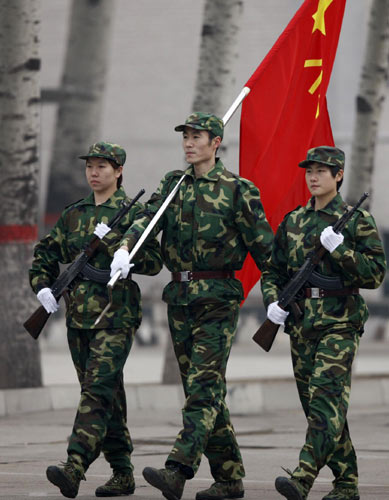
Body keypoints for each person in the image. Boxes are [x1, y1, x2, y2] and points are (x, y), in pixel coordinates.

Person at [109, 112, 274, 500]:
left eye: (196, 136)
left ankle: (178, 468)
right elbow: (146, 219)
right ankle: (230, 477)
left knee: (202, 388)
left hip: (218, 299)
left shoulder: (238, 190)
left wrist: (277, 300)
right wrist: (125, 247)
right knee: (204, 391)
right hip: (180, 299)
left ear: (215, 142)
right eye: (185, 136)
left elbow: (266, 250)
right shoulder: (174, 184)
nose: (188, 142)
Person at [29, 142, 162, 498]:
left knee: (97, 390)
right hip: (78, 318)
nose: (94, 172)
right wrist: (42, 286)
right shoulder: (75, 213)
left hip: (116, 316)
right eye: (90, 165)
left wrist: (120, 248)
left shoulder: (133, 214)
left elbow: (154, 262)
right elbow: (46, 252)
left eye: (103, 166)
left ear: (119, 171)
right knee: (107, 396)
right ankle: (122, 472)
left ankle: (75, 464)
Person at [261, 146, 387, 500]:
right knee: (316, 405)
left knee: (326, 402)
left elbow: (376, 274)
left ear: (339, 175)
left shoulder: (357, 221)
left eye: (322, 171)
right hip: (302, 324)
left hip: (340, 323)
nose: (313, 177)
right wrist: (274, 301)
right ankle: (346, 482)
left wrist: (341, 250)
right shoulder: (293, 221)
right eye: (310, 171)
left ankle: (302, 476)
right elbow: (273, 269)